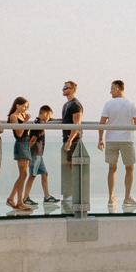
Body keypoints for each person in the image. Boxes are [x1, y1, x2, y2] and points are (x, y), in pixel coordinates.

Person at [97, 79, 136, 208]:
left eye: (111, 88)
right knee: (129, 168)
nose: (110, 91)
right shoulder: (131, 104)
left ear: (117, 88)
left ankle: (111, 198)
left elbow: (102, 123)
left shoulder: (108, 104)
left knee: (112, 168)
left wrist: (100, 139)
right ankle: (127, 197)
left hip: (111, 139)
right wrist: (128, 125)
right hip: (127, 139)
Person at [4, 97, 34, 212]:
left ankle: (12, 198)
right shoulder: (13, 116)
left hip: (26, 144)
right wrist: (26, 121)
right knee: (23, 173)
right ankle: (19, 201)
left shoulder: (21, 116)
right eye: (24, 106)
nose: (25, 108)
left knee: (23, 174)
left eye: (27, 107)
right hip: (20, 144)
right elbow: (19, 133)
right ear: (17, 105)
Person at [60, 81, 85, 210]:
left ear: (73, 89)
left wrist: (69, 141)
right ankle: (68, 195)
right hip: (66, 140)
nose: (63, 89)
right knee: (68, 170)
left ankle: (75, 196)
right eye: (63, 87)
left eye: (66, 88)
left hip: (73, 142)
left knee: (73, 169)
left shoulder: (75, 105)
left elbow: (76, 125)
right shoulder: (66, 104)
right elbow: (66, 120)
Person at [32, 105, 57, 205]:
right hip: (35, 153)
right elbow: (33, 140)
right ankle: (25, 197)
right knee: (32, 175)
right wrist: (29, 151)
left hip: (39, 154)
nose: (49, 119)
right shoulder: (39, 126)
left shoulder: (39, 122)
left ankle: (47, 196)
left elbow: (50, 119)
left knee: (44, 174)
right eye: (49, 116)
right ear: (44, 114)